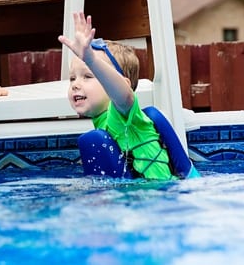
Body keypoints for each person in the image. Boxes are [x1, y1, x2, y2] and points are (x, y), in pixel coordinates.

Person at [59, 11, 176, 180]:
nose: (75, 84)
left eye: (89, 76)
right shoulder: (103, 124)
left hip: (159, 196)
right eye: (72, 78)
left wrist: (91, 60)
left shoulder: (123, 114)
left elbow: (124, 96)